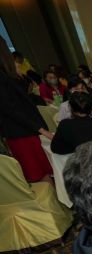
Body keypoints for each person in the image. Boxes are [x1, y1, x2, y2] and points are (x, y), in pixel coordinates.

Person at [0, 37, 53, 183]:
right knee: (40, 173)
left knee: (44, 171)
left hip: (26, 129)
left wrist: (20, 77)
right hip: (21, 132)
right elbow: (11, 109)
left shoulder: (7, 73)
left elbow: (21, 99)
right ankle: (53, 198)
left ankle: (54, 197)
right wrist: (41, 129)